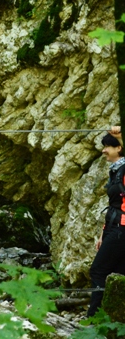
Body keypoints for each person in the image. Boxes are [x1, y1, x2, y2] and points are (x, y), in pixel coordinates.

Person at [87, 126, 125, 317]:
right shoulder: (115, 171)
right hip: (114, 228)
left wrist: (121, 135)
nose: (103, 150)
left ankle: (93, 318)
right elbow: (114, 205)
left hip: (122, 230)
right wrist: (104, 233)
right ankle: (114, 319)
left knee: (98, 271)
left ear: (119, 148)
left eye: (107, 146)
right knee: (118, 274)